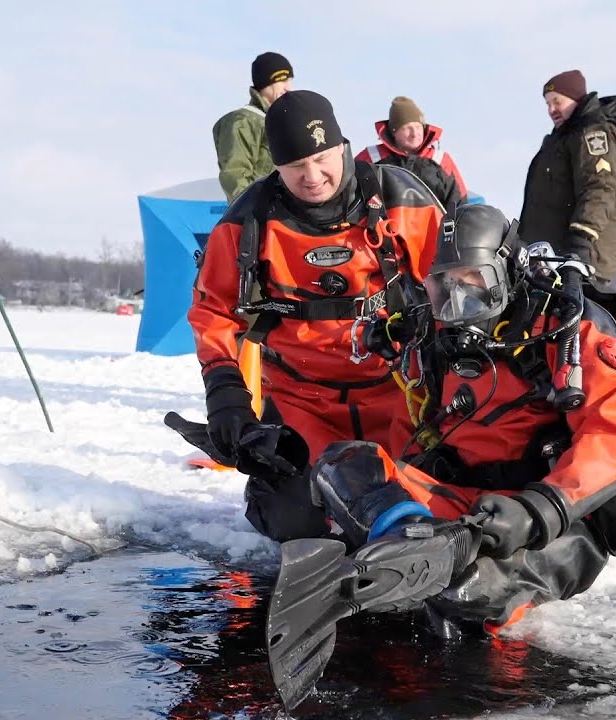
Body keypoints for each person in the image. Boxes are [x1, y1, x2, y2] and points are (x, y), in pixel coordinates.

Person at [274, 204, 616, 644]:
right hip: (464, 504)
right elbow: (412, 427)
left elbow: (611, 439)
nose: (456, 306)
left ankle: (441, 568)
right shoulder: (434, 333)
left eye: (473, 289)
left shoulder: (572, 329)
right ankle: (411, 542)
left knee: (466, 591)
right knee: (344, 464)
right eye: (443, 289)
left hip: (556, 516)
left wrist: (537, 510)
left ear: (507, 273)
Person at [188, 89, 449, 541]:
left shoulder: (401, 202)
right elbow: (213, 310)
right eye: (295, 167)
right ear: (276, 166)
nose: (312, 176)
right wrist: (225, 392)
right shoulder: (247, 222)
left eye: (322, 157)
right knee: (297, 523)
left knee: (430, 511)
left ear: (343, 146)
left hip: (401, 397)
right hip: (301, 401)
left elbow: (456, 290)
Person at [518, 69, 616, 285]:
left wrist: (582, 241)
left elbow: (599, 189)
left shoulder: (593, 134)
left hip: (579, 258)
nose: (551, 110)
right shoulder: (564, 139)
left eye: (557, 101)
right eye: (547, 104)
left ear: (575, 99)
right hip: (550, 259)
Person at [356, 96, 468, 209]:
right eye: (407, 128)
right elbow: (348, 193)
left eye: (418, 127)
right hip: (384, 224)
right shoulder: (371, 158)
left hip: (432, 225)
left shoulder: (441, 160)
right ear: (394, 131)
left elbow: (460, 204)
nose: (415, 133)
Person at [212, 52, 294, 203]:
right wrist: (252, 212)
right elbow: (235, 175)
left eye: (289, 81)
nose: (288, 88)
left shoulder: (278, 121)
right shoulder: (243, 121)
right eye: (282, 80)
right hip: (260, 213)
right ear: (265, 82)